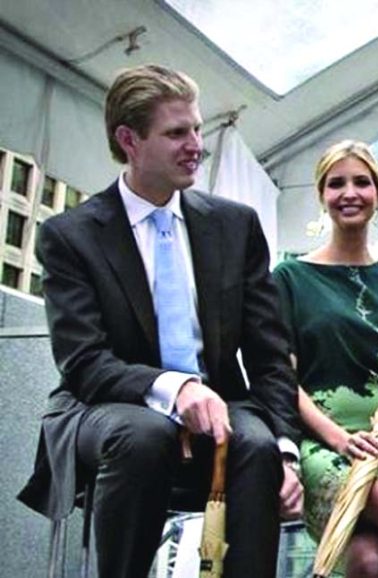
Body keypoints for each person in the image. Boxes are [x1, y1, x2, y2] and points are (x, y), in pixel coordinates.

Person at [17, 64, 304, 578]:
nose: (196, 144)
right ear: (129, 139)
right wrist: (174, 389)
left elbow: (268, 354)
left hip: (220, 403)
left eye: (197, 129)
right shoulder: (70, 235)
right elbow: (84, 362)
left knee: (257, 447)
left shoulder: (235, 225)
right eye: (177, 133)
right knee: (145, 436)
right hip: (104, 407)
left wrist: (287, 449)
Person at [272, 140, 378, 578]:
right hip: (321, 448)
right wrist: (340, 439)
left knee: (366, 563)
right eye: (336, 183)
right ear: (321, 196)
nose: (350, 193)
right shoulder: (289, 278)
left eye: (362, 182)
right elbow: (282, 377)